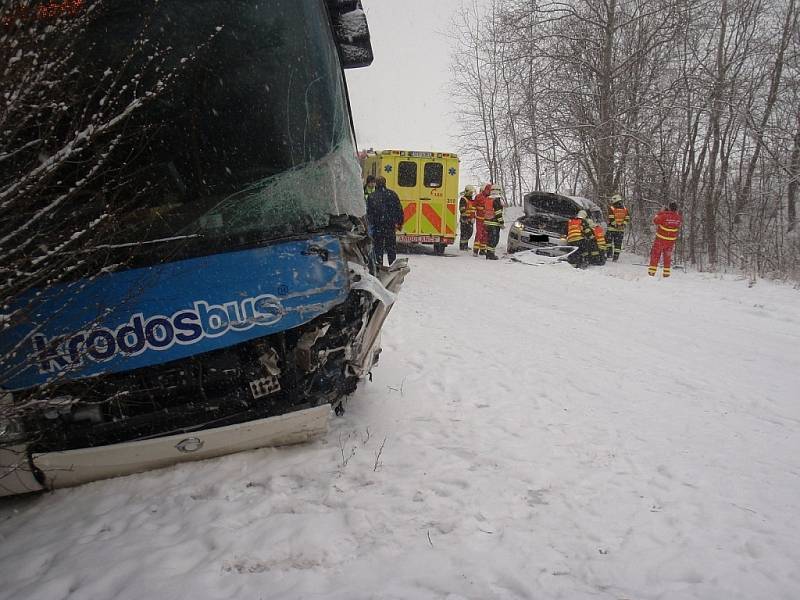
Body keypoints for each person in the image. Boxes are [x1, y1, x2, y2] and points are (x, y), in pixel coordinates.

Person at [367, 176, 404, 266]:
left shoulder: (372, 197)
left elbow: (369, 213)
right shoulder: (392, 195)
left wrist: (369, 226)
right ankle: (392, 266)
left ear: (376, 184)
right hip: (390, 227)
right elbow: (399, 210)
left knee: (378, 248)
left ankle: (379, 266)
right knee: (391, 249)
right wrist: (399, 223)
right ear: (385, 183)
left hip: (377, 227)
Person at [648, 202, 682, 278]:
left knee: (655, 255)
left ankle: (651, 273)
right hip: (671, 241)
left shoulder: (663, 215)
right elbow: (678, 224)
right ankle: (666, 273)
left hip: (660, 239)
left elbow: (655, 221)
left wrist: (662, 212)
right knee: (667, 257)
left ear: (669, 208)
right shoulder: (678, 217)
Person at [606, 194, 630, 262]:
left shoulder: (611, 208)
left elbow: (611, 218)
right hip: (620, 230)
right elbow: (627, 218)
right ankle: (615, 257)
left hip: (611, 229)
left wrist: (615, 225)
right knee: (618, 244)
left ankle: (609, 255)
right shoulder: (625, 209)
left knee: (608, 242)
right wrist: (623, 225)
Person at [483, 186, 504, 260]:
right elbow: (498, 212)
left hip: (487, 222)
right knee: (494, 239)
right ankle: (491, 255)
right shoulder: (496, 200)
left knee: (489, 239)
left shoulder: (488, 199)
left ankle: (488, 253)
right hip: (494, 223)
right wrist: (501, 222)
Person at [472, 183, 492, 256]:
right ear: (485, 190)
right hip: (479, 219)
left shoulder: (491, 198)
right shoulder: (478, 197)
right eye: (489, 190)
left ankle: (482, 250)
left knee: (485, 235)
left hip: (487, 220)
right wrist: (473, 216)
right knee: (479, 234)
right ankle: (476, 250)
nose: (489, 192)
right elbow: (473, 207)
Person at [458, 185, 476, 251]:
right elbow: (462, 209)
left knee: (469, 232)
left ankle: (465, 245)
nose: (471, 194)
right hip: (464, 219)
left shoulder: (471, 200)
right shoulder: (463, 199)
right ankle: (462, 246)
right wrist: (465, 218)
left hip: (470, 219)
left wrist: (473, 217)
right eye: (470, 192)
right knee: (464, 233)